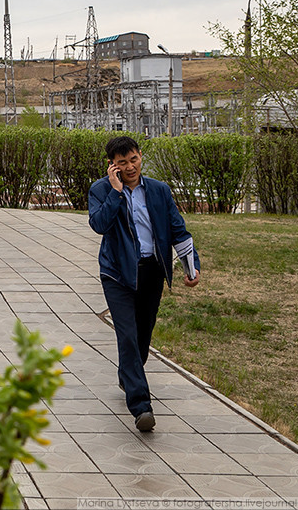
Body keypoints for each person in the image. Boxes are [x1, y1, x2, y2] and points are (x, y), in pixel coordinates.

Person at [88, 135, 200, 432]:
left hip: (151, 271)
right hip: (117, 272)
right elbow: (99, 224)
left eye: (133, 159)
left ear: (141, 156)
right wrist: (116, 193)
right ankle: (141, 407)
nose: (130, 167)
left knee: (142, 334)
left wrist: (192, 266)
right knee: (126, 334)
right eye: (122, 163)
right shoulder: (101, 190)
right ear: (112, 165)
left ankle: (128, 374)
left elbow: (178, 230)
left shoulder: (159, 190)